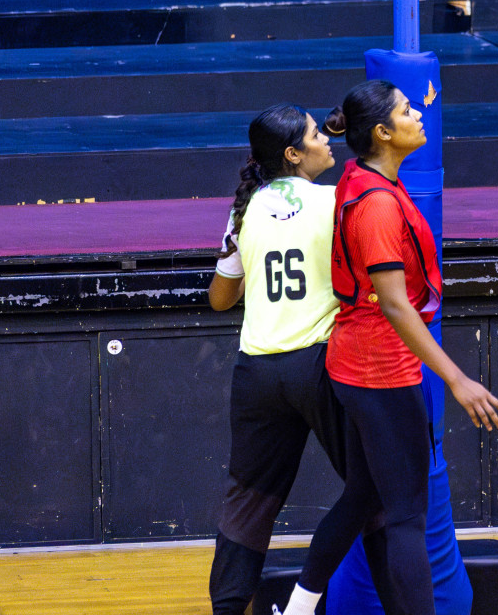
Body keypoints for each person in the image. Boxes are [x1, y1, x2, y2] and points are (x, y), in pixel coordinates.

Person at [278, 80, 498, 615]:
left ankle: (298, 605)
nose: (420, 115)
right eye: (408, 111)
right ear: (383, 132)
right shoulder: (377, 206)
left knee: (366, 498)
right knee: (405, 516)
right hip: (379, 371)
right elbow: (396, 305)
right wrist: (457, 379)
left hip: (357, 365)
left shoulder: (360, 176)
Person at [207, 103, 390, 615]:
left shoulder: (244, 207)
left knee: (248, 501)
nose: (325, 139)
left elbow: (220, 299)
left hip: (257, 371)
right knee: (372, 492)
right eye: (316, 134)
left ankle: (227, 609)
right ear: (293, 154)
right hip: (321, 365)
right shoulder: (337, 201)